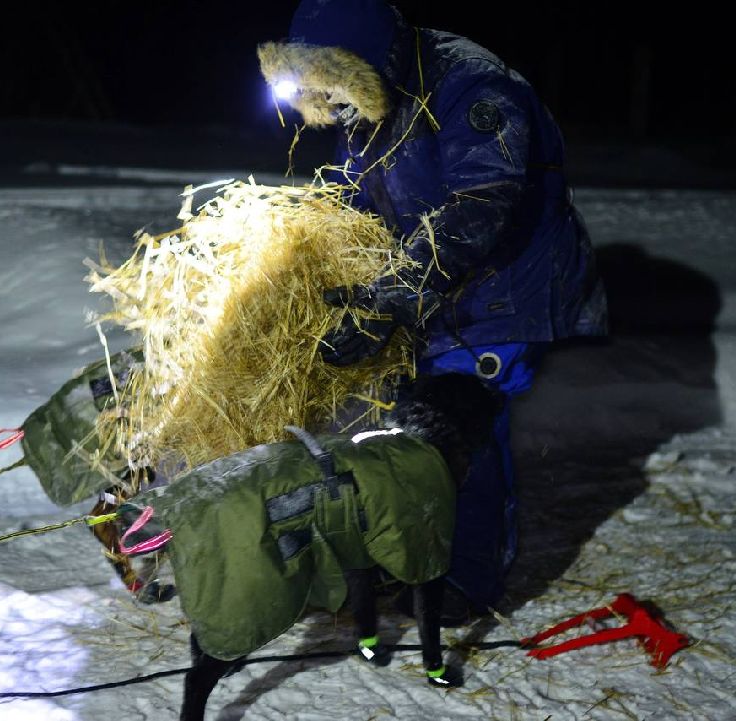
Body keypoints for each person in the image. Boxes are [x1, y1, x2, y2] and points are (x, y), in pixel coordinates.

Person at [258, 0, 608, 621]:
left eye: (325, 78)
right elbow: (361, 186)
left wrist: (396, 293)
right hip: (436, 285)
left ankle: (469, 581)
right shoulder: (370, 92)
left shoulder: (472, 83)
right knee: (406, 422)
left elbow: (481, 200)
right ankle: (413, 549)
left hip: (504, 288)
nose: (320, 96)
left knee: (458, 425)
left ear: (359, 58)